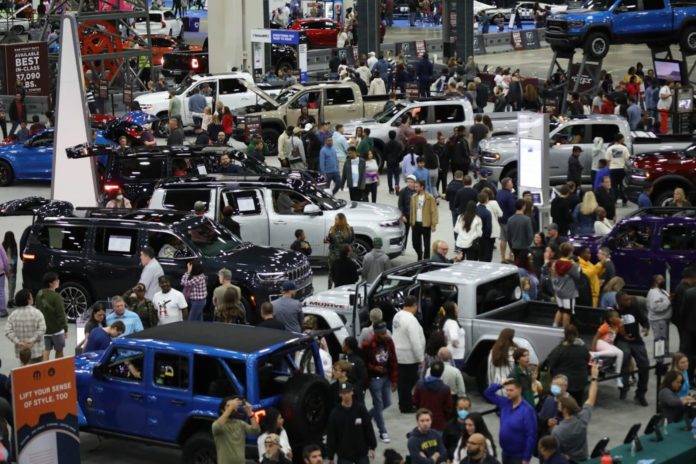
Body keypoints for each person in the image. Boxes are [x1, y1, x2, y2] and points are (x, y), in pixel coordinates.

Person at [549, 362, 599, 462]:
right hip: (583, 458)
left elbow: (554, 451)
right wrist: (594, 377)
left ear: (565, 410)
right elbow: (591, 398)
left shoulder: (558, 431)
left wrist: (551, 428)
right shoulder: (582, 419)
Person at [484, 379, 538, 464]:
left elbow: (531, 436)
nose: (508, 393)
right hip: (505, 453)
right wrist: (500, 384)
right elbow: (487, 393)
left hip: (518, 456)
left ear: (519, 390)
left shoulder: (527, 410)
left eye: (511, 390)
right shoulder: (505, 402)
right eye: (507, 390)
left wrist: (526, 459)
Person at [363, 322, 398, 443]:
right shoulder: (368, 344)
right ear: (376, 333)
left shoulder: (389, 342)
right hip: (374, 379)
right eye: (382, 333)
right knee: (378, 404)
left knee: (387, 402)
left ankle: (366, 417)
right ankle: (383, 431)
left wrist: (394, 379)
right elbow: (364, 362)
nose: (385, 334)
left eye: (386, 332)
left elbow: (393, 359)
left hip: (386, 377)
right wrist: (374, 368)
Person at [326, 382, 377, 464]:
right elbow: (331, 435)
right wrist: (330, 456)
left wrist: (372, 447)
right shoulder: (335, 413)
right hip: (344, 455)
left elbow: (368, 428)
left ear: (352, 392)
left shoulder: (360, 409)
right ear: (340, 394)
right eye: (343, 393)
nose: (346, 395)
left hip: (361, 453)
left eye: (348, 392)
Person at [615, 291, 650, 406]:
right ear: (619, 301)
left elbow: (644, 320)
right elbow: (612, 326)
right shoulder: (614, 311)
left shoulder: (635, 308)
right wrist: (623, 335)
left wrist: (646, 328)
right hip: (622, 340)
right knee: (625, 358)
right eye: (626, 300)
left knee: (645, 365)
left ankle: (641, 394)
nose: (629, 301)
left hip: (636, 340)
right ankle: (624, 387)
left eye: (629, 299)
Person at [393, 295, 426, 413]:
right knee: (408, 382)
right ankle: (406, 405)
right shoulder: (411, 319)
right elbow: (415, 340)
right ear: (414, 306)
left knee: (402, 382)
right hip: (409, 357)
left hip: (399, 354)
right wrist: (420, 357)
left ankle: (404, 402)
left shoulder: (397, 316)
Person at [545, 325, 591, 405]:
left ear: (564, 334)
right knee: (577, 405)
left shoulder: (560, 349)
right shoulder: (583, 348)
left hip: (564, 384)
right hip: (580, 383)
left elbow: (550, 362)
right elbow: (588, 361)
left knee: (562, 406)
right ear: (577, 333)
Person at [212, 396, 260, 464]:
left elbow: (256, 430)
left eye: (233, 405)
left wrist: (250, 412)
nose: (232, 407)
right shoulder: (219, 425)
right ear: (222, 411)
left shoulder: (240, 424)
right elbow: (216, 426)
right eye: (228, 406)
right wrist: (231, 408)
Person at [4, 289, 46, 364]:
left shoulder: (13, 315)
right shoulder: (37, 313)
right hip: (36, 350)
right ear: (28, 300)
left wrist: (18, 342)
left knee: (24, 369)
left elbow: (7, 331)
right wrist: (32, 340)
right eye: (31, 297)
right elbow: (42, 329)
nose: (32, 298)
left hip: (22, 351)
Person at [35, 272, 67, 361]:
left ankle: (45, 370)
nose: (58, 281)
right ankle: (58, 369)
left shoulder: (39, 294)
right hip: (57, 330)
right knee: (59, 350)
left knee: (45, 351)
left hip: (44, 330)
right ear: (51, 283)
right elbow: (61, 315)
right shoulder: (56, 297)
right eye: (56, 280)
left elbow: (37, 311)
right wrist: (66, 329)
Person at [413, 361, 453, 431]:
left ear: (430, 371)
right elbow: (448, 407)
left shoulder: (420, 385)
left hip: (423, 420)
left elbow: (415, 401)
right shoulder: (445, 389)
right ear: (442, 373)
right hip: (440, 423)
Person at [590, 310, 625, 388]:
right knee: (615, 352)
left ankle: (618, 376)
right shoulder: (605, 326)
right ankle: (594, 354)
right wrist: (593, 349)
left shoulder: (616, 326)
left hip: (608, 346)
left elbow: (623, 334)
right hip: (600, 343)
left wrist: (621, 325)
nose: (618, 318)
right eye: (616, 317)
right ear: (610, 319)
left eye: (618, 316)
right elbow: (595, 338)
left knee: (620, 353)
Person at [552, 242, 581, 329]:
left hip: (558, 291)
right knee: (567, 312)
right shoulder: (571, 265)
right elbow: (577, 276)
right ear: (570, 252)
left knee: (560, 309)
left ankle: (554, 327)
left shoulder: (556, 262)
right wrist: (577, 266)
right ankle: (566, 333)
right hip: (568, 292)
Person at [410, 179, 438, 260]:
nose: (415, 188)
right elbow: (412, 210)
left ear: (422, 187)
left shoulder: (430, 197)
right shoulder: (413, 197)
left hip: (426, 224)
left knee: (426, 244)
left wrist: (434, 224)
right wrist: (411, 222)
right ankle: (419, 254)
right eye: (415, 187)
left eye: (417, 187)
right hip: (416, 224)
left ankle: (426, 260)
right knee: (415, 243)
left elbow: (434, 212)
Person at [326, 213, 354, 288]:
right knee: (331, 272)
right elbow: (329, 239)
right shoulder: (332, 229)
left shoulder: (349, 229)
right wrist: (327, 240)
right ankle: (329, 289)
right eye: (335, 219)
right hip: (333, 254)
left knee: (343, 272)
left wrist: (349, 249)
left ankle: (340, 288)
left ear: (341, 220)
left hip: (344, 254)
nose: (335, 220)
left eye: (336, 219)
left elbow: (352, 240)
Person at [487, 328, 518, 394]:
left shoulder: (493, 351)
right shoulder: (514, 351)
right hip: (512, 385)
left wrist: (491, 386)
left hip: (498, 385)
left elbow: (490, 371)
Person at [647, 274, 671, 345]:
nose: (663, 281)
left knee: (664, 338)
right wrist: (669, 301)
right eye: (660, 279)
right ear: (655, 282)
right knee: (659, 340)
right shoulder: (654, 293)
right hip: (658, 320)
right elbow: (656, 307)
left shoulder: (662, 290)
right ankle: (659, 355)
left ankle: (665, 353)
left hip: (662, 319)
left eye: (663, 279)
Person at [399, 175, 417, 249]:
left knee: (416, 234)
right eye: (408, 182)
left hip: (415, 216)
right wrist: (402, 215)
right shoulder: (403, 191)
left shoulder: (417, 191)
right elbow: (400, 205)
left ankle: (417, 247)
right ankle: (403, 247)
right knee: (405, 233)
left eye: (411, 182)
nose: (409, 183)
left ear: (414, 183)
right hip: (406, 215)